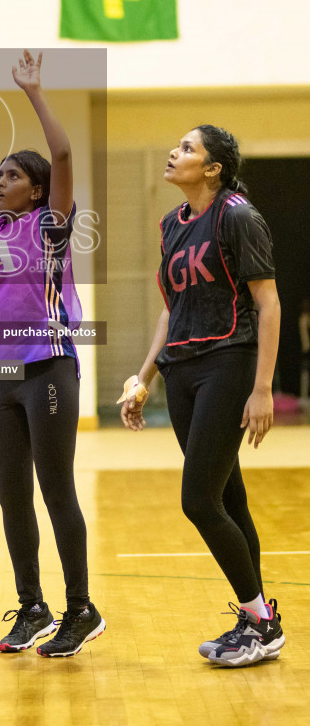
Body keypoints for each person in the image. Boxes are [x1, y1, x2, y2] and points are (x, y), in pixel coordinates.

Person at [0, 50, 105, 658]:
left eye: (11, 174)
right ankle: (32, 605)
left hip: (49, 366)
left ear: (35, 191)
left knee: (56, 489)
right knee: (12, 494)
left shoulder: (50, 225)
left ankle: (80, 609)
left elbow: (61, 155)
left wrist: (33, 89)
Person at [120, 126, 285, 668]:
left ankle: (261, 621)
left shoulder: (237, 215)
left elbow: (268, 304)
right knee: (227, 497)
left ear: (213, 168)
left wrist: (262, 388)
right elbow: (171, 310)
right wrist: (144, 377)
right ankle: (258, 621)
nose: (175, 151)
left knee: (198, 501)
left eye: (189, 148)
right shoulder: (172, 225)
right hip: (183, 372)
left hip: (229, 364)